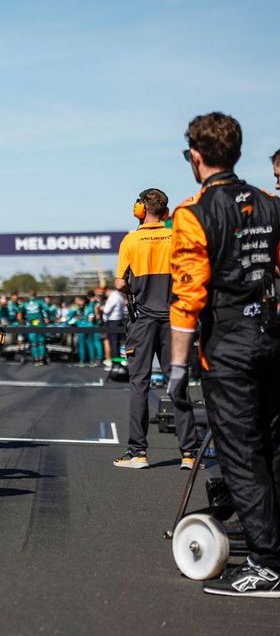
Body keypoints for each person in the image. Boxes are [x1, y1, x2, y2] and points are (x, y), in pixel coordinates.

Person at [169, 112, 280, 596]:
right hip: (272, 338)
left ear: (195, 157)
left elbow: (187, 296)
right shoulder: (271, 204)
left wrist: (175, 367)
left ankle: (267, 564)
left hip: (229, 346)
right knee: (274, 448)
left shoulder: (193, 212)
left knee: (241, 454)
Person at [113, 188, 199, 469]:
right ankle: (189, 453)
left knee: (139, 384)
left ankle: (138, 453)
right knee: (178, 383)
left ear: (140, 210)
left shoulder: (130, 240)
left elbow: (119, 283)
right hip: (174, 319)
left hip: (143, 320)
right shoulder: (176, 236)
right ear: (166, 211)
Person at [22, 290, 50, 365]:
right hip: (38, 324)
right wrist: (48, 318)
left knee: (35, 343)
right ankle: (40, 359)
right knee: (40, 342)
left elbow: (20, 313)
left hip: (32, 325)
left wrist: (23, 320)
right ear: (36, 295)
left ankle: (37, 359)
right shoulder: (39, 302)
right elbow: (47, 310)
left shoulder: (25, 304)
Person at [102, 286, 127, 365]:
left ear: (108, 290)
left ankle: (115, 361)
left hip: (112, 321)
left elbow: (106, 310)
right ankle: (118, 360)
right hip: (119, 320)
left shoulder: (113, 297)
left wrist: (102, 308)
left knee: (113, 342)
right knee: (118, 342)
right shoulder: (120, 296)